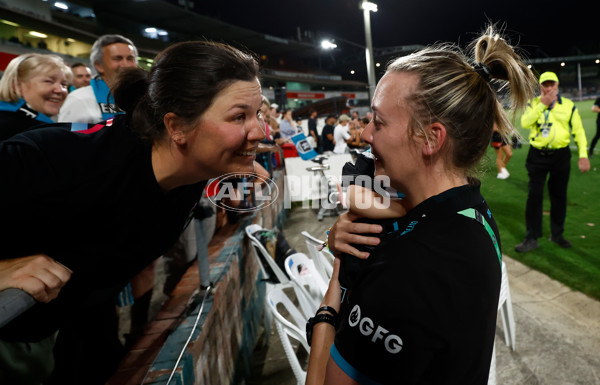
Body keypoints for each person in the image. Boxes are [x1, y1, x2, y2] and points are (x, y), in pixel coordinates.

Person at [0, 40, 264, 384]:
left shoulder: (186, 173)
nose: (262, 132)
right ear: (176, 127)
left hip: (53, 331)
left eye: (257, 113)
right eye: (239, 116)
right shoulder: (48, 162)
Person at [305, 26, 538, 385]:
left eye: (378, 122)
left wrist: (333, 289)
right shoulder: (468, 206)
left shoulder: (410, 267)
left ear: (431, 138)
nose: (366, 135)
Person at [514, 71, 590, 253]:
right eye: (545, 85)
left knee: (559, 196)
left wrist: (583, 154)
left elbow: (578, 131)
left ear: (557, 85)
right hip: (537, 156)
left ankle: (557, 234)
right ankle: (531, 237)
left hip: (560, 156)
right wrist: (543, 105)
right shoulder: (533, 104)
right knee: (534, 196)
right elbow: (525, 123)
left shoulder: (569, 105)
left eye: (551, 84)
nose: (548, 88)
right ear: (540, 86)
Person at [58, 34, 138, 124]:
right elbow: (66, 136)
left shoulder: (141, 99)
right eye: (117, 58)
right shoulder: (79, 99)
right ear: (99, 65)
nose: (126, 65)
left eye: (130, 58)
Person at [0, 53, 71, 140]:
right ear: (17, 86)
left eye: (64, 84)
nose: (60, 90)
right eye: (49, 81)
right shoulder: (10, 128)